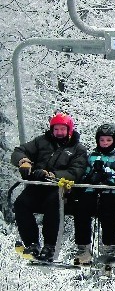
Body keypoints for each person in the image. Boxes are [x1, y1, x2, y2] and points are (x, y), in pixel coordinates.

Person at [11, 112, 88, 261]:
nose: (59, 133)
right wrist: (24, 161)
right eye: (56, 129)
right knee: (21, 203)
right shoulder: (42, 142)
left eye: (62, 129)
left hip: (59, 187)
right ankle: (32, 243)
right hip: (38, 184)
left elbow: (76, 171)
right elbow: (20, 151)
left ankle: (50, 245)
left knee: (53, 204)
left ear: (69, 130)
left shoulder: (77, 149)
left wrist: (53, 175)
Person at [72, 124, 115, 264]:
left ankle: (110, 247)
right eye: (102, 140)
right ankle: (83, 247)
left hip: (114, 191)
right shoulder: (93, 155)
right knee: (82, 207)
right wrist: (90, 177)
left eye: (108, 140)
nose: (105, 143)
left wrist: (108, 177)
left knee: (108, 208)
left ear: (114, 140)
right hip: (93, 189)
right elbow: (85, 173)